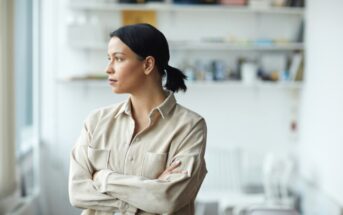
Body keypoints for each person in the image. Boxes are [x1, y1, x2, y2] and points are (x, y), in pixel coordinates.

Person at [68, 23, 207, 215]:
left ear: (148, 64)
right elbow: (78, 192)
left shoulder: (190, 126)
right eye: (109, 59)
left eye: (118, 59)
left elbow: (167, 199)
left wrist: (103, 178)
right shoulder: (96, 121)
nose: (108, 68)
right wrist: (144, 196)